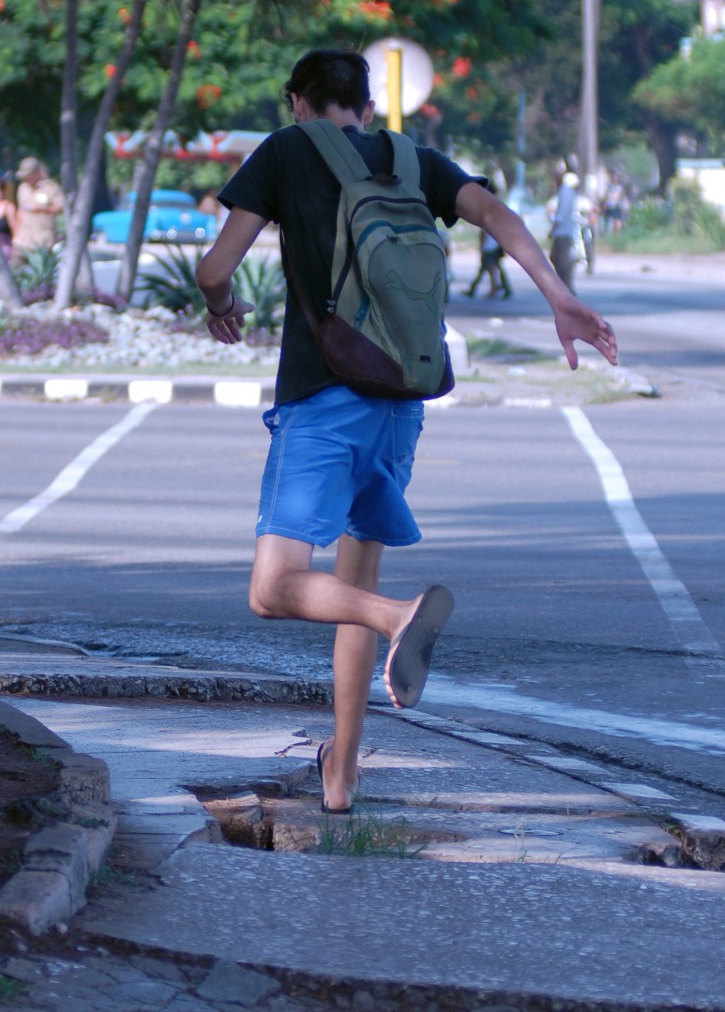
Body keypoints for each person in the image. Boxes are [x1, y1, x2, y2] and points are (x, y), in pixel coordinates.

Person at [196, 49, 618, 815]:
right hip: (399, 398)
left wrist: (220, 302)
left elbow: (214, 265)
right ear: (364, 102)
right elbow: (498, 215)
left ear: (298, 101)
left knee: (276, 588)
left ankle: (401, 621)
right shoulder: (410, 158)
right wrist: (559, 296)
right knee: (350, 587)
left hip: (321, 396)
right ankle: (342, 771)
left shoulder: (287, 150)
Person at [464, 183, 512, 299]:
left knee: (484, 267)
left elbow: (485, 228)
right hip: (496, 242)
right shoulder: (498, 205)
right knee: (494, 267)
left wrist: (482, 245)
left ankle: (474, 289)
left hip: (490, 244)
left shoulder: (489, 205)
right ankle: (501, 288)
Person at [13, 157, 64, 253]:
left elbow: (60, 208)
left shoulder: (50, 188)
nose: (25, 179)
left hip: (43, 240)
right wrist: (15, 236)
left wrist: (42, 209)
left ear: (37, 173)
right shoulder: (23, 188)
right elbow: (20, 212)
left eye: (27, 176)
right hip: (23, 241)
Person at [547, 171, 580, 294]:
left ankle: (566, 285)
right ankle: (563, 284)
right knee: (556, 257)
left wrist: (553, 230)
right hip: (565, 230)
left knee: (561, 258)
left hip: (563, 231)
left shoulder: (564, 192)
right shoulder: (566, 192)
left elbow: (561, 214)